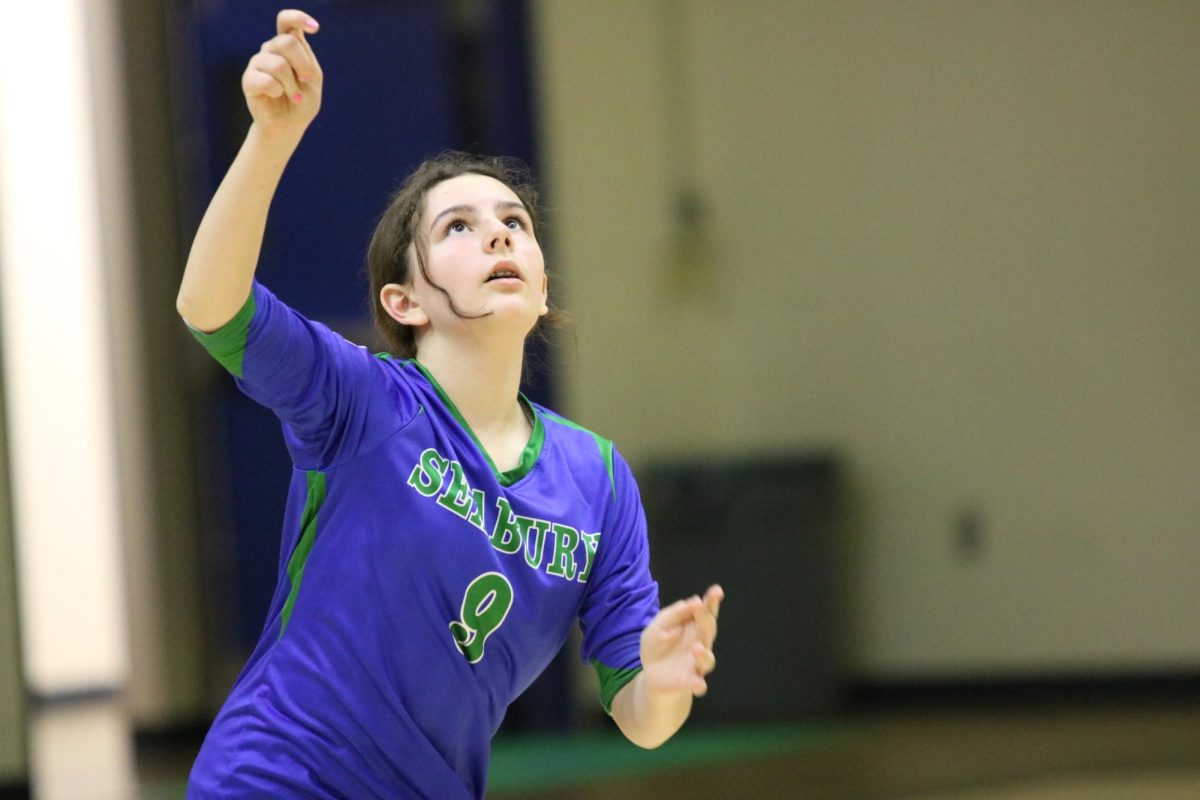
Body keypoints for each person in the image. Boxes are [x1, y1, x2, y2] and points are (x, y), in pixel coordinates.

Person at [177, 9, 724, 798]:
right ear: (403, 302)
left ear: (542, 288)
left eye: (515, 224)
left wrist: (667, 682)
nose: (499, 237)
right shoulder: (361, 402)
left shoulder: (596, 480)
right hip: (273, 778)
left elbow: (639, 713)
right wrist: (271, 137)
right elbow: (210, 306)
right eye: (459, 227)